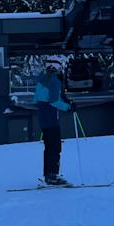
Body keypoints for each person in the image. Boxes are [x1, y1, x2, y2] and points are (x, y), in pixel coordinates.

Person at [34, 56, 72, 185]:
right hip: (52, 118)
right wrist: (68, 107)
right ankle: (52, 175)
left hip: (43, 118)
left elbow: (36, 99)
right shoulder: (54, 81)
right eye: (60, 66)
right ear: (57, 67)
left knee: (49, 147)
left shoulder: (41, 80)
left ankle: (48, 174)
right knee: (55, 147)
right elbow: (54, 101)